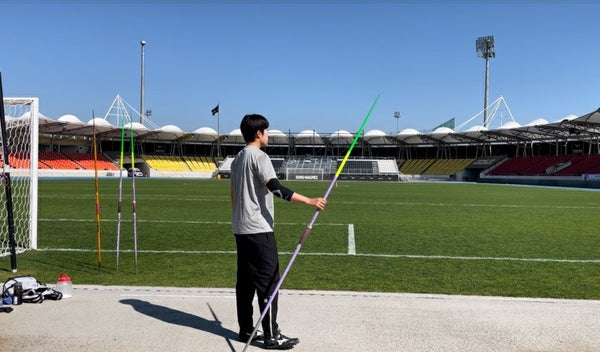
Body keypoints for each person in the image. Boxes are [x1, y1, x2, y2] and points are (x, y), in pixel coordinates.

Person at [230, 114, 326, 350]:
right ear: (259, 133)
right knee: (268, 282)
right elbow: (275, 188)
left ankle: (246, 330)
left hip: (240, 228)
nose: (269, 134)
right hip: (258, 229)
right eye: (267, 131)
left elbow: (232, 195)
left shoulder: (237, 159)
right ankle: (271, 336)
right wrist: (310, 201)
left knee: (245, 282)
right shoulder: (259, 156)